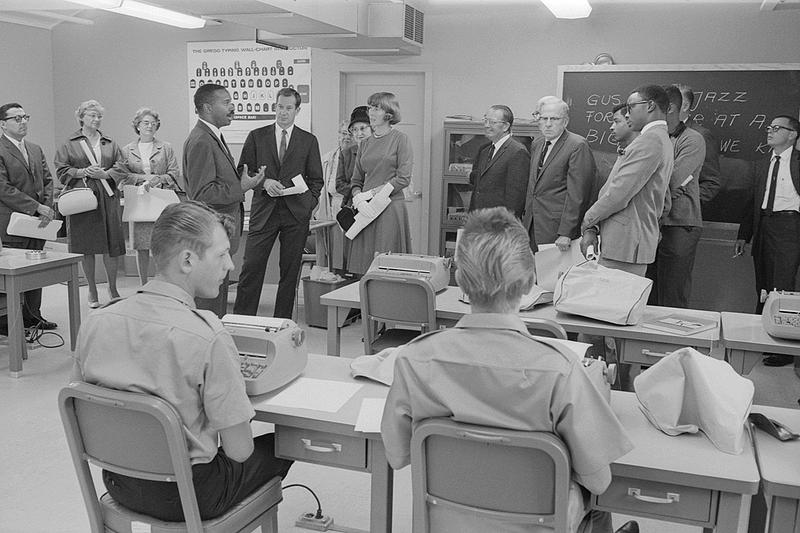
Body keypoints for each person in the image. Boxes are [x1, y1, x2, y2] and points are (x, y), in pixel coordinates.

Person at [381, 207, 637, 533]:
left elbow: (397, 456)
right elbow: (599, 481)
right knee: (595, 503)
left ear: (459, 278)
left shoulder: (413, 361)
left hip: (449, 525)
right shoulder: (561, 371)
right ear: (530, 281)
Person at [72, 201, 293, 522]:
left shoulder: (95, 321)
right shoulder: (208, 335)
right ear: (188, 260)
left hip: (118, 481)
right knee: (280, 445)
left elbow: (80, 404)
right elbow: (239, 451)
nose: (230, 265)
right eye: (221, 255)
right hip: (190, 495)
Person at [233, 87, 323, 318]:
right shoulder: (257, 136)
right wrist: (264, 183)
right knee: (251, 268)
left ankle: (281, 322)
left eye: (288, 108)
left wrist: (309, 204)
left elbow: (316, 179)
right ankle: (242, 320)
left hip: (296, 213)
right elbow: (244, 171)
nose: (283, 112)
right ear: (275, 107)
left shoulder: (308, 140)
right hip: (265, 210)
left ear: (297, 110)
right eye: (280, 107)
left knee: (290, 272)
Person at [183, 83, 264, 317]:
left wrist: (241, 183)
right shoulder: (201, 140)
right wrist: (242, 187)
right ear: (208, 107)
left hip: (220, 233)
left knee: (217, 299)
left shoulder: (212, 136)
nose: (232, 107)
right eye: (226, 102)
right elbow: (203, 193)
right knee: (209, 302)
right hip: (211, 234)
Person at [580, 85, 674, 276]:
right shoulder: (661, 138)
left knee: (611, 303)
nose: (628, 114)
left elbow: (618, 195)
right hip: (627, 244)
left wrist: (588, 221)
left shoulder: (650, 141)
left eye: (631, 107)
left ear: (649, 106)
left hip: (625, 245)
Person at [735, 115, 800, 367]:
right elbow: (752, 201)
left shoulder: (796, 162)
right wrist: (743, 234)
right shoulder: (762, 164)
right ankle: (763, 338)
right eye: (769, 128)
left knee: (782, 288)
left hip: (789, 226)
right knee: (762, 286)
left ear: (792, 134)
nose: (770, 131)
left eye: (776, 128)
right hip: (763, 225)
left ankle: (784, 349)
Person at [54, 99, 127, 309]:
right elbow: (61, 169)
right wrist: (81, 172)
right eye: (92, 115)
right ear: (81, 117)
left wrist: (107, 173)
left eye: (99, 116)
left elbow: (122, 165)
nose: (96, 119)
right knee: (86, 245)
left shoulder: (109, 142)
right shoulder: (70, 143)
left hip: (108, 196)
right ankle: (92, 289)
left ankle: (113, 289)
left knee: (111, 245)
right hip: (83, 199)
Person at [646, 86, 706, 308]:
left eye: (650, 106)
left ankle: (672, 344)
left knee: (672, 295)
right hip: (651, 223)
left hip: (679, 224)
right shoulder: (651, 138)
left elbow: (672, 181)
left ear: (668, 108)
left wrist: (657, 186)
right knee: (646, 294)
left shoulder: (693, 139)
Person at [0, 102, 57, 332]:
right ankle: (11, 321)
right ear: (3, 124)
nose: (23, 122)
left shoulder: (34, 148)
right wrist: (35, 207)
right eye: (17, 118)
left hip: (38, 222)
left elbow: (48, 180)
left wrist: (46, 206)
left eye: (25, 117)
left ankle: (34, 315)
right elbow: (3, 187)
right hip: (13, 222)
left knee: (36, 269)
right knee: (16, 273)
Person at [347, 92, 413, 275]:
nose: (371, 112)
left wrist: (371, 195)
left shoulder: (400, 140)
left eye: (376, 108)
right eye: (370, 108)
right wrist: (358, 198)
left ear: (388, 113)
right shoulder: (365, 144)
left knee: (387, 265)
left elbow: (403, 178)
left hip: (389, 208)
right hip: (366, 211)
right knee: (364, 265)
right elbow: (356, 179)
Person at [522, 96, 595, 252]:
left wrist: (566, 232)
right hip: (532, 225)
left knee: (553, 276)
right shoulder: (537, 143)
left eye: (554, 119)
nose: (548, 124)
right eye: (544, 118)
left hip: (557, 231)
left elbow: (578, 194)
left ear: (565, 121)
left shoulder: (577, 145)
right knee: (533, 275)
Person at [120, 107, 181, 285]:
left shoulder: (166, 147)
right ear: (137, 126)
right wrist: (143, 179)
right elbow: (123, 175)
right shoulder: (127, 150)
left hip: (161, 200)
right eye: (146, 123)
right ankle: (143, 283)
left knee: (162, 244)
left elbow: (174, 172)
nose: (150, 126)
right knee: (141, 245)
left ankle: (162, 282)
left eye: (154, 124)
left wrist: (158, 180)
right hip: (140, 202)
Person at [467, 105, 530, 218]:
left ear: (506, 126)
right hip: (479, 222)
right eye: (485, 120)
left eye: (492, 122)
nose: (487, 125)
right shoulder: (485, 150)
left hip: (499, 225)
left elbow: (516, 199)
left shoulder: (517, 152)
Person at [335, 105, 372, 274]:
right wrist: (358, 193)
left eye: (363, 128)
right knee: (353, 259)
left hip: (376, 209)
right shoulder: (347, 153)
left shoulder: (382, 152)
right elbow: (339, 183)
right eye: (355, 129)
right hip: (353, 211)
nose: (359, 133)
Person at [676, 84, 721, 206]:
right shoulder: (661, 132)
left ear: (685, 106)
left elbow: (711, 183)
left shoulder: (701, 135)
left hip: (680, 217)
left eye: (670, 102)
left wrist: (685, 205)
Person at [319, 119, 353, 272]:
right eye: (343, 133)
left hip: (351, 207)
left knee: (350, 251)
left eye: (350, 134)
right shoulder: (328, 157)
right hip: (331, 207)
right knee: (333, 253)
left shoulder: (358, 156)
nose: (347, 137)